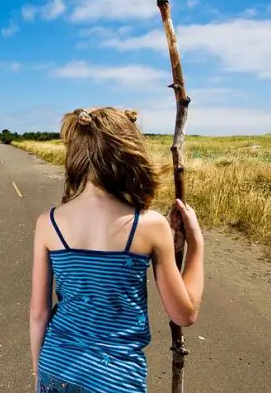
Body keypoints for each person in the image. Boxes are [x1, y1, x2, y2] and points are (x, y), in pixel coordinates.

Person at [30, 107, 205, 393]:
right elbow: (184, 315)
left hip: (55, 368)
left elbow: (39, 313)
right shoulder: (149, 225)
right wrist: (196, 244)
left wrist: (39, 375)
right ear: (129, 155)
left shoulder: (48, 222)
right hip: (115, 380)